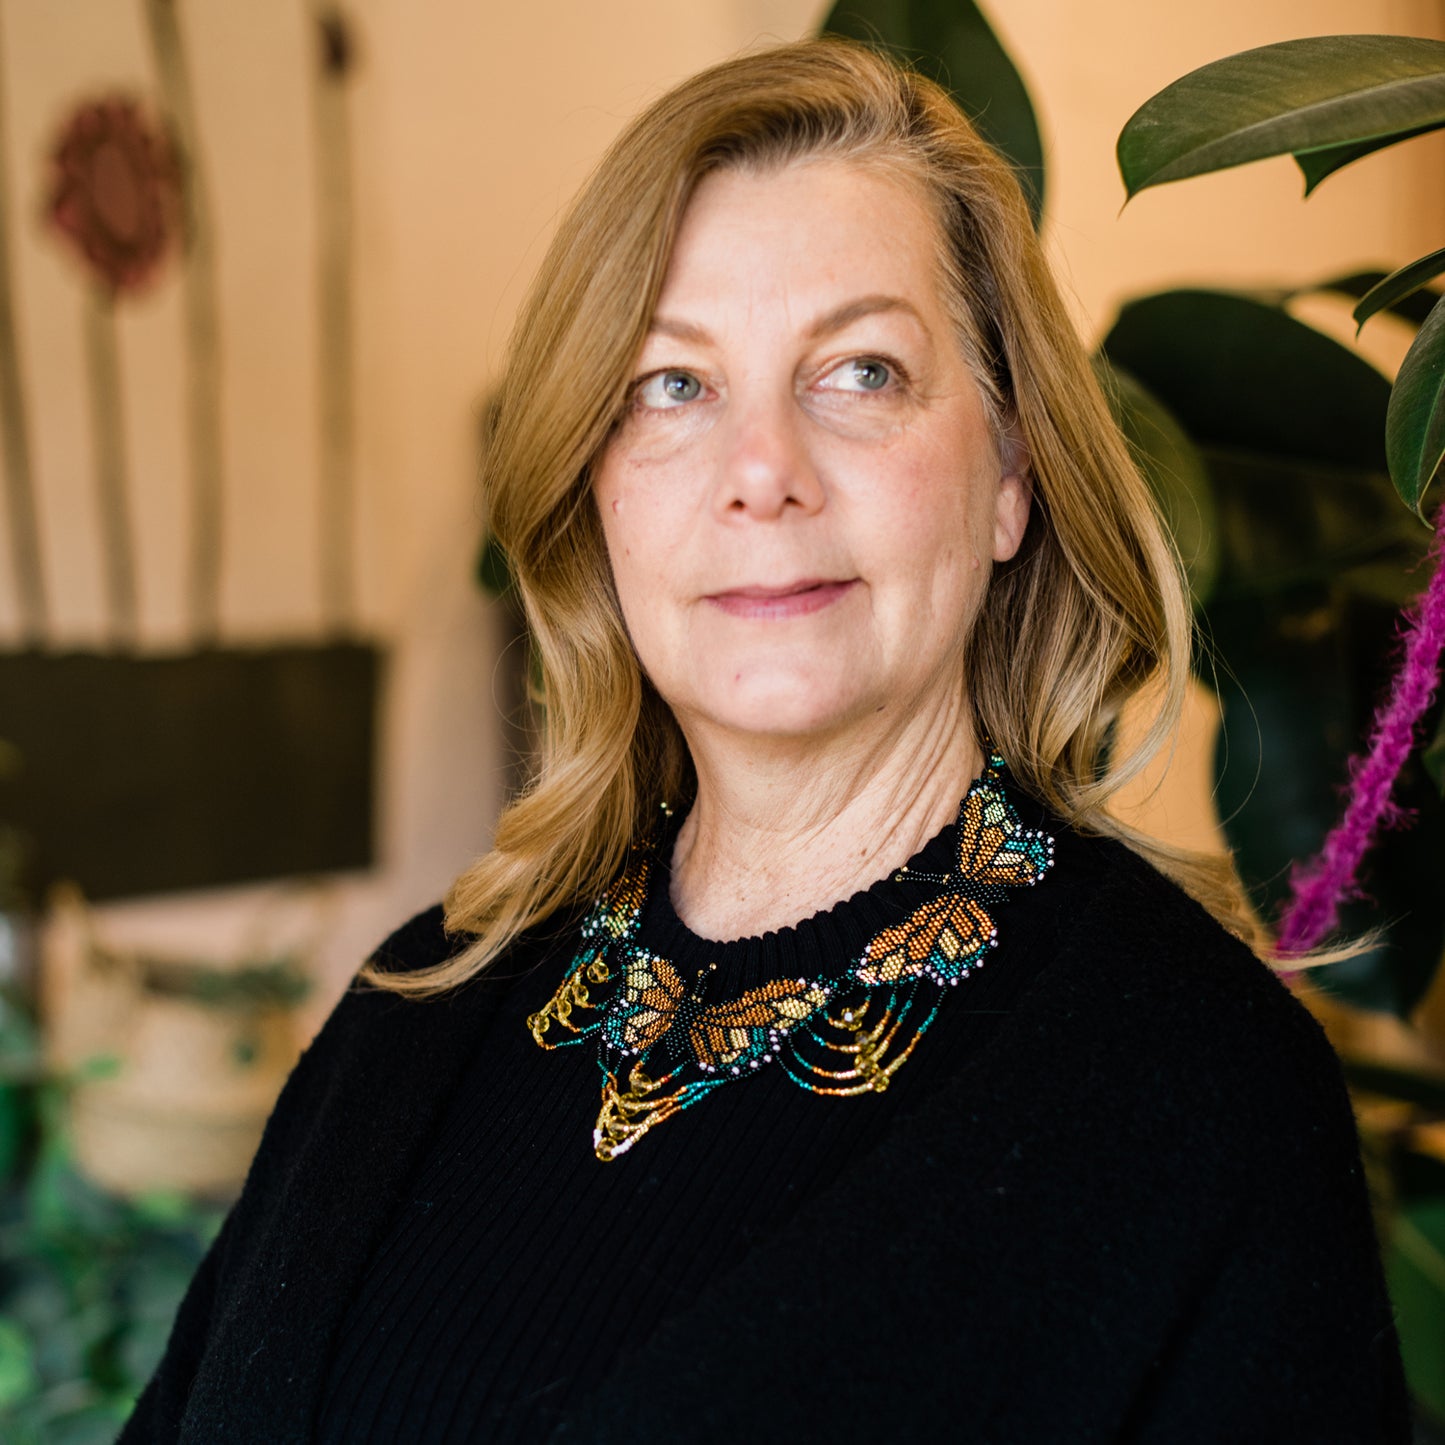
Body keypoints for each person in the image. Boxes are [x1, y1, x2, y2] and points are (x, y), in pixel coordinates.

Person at [120, 37, 1410, 1445]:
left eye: (860, 371)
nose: (761, 474)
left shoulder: (1203, 1091)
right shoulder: (426, 994)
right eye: (672, 384)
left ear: (1009, 473)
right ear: (595, 487)